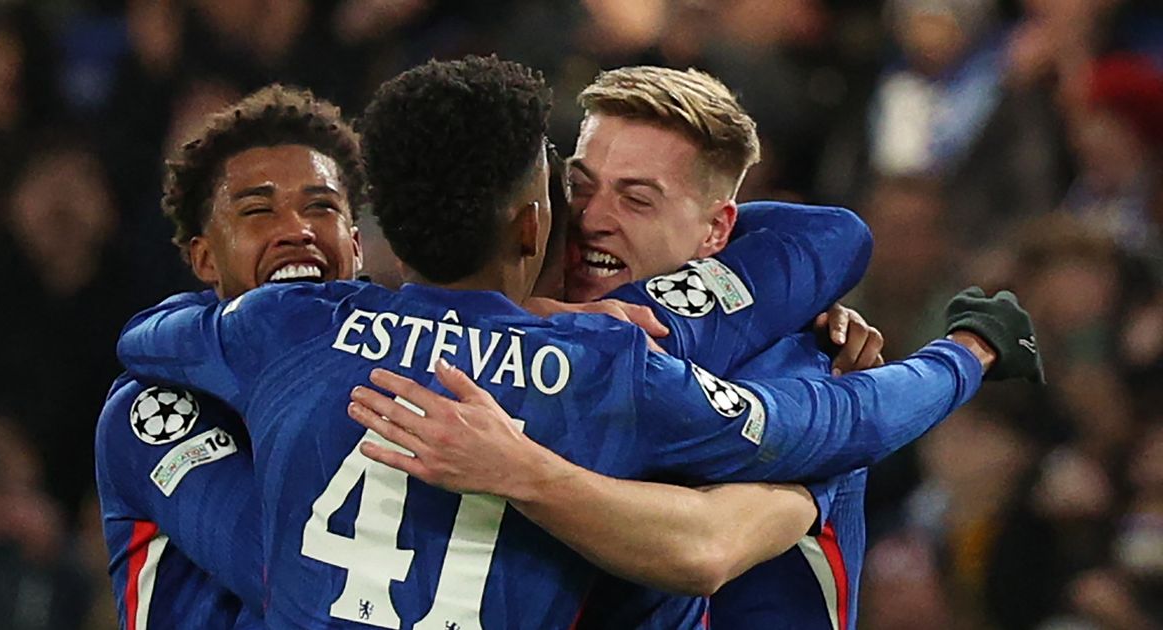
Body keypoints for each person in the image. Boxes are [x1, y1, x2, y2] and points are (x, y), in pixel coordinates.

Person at [116, 56, 1039, 628]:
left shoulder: (779, 351)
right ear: (536, 215)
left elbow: (712, 549)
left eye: (637, 198)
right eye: (580, 186)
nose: (593, 219)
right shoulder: (601, 366)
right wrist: (966, 355)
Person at [93, 84, 367, 628]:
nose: (297, 230)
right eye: (258, 211)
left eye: (321, 206)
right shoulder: (154, 407)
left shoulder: (396, 372)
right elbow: (294, 580)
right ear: (205, 259)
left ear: (356, 246)